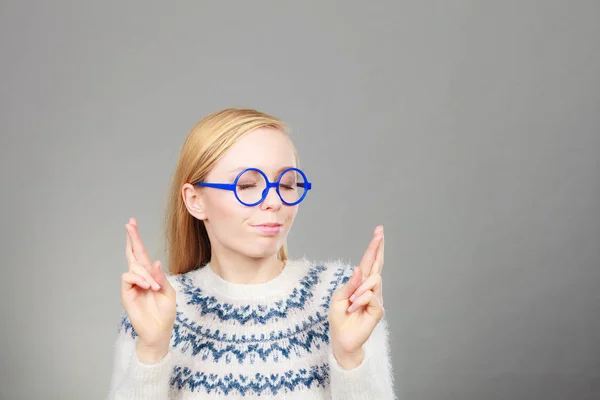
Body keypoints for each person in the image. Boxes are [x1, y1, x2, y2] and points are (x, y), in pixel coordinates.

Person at [107, 108, 396, 399]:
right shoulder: (154, 308)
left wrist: (350, 359)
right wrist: (152, 352)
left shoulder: (343, 297)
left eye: (286, 184)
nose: (273, 200)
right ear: (195, 201)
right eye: (246, 185)